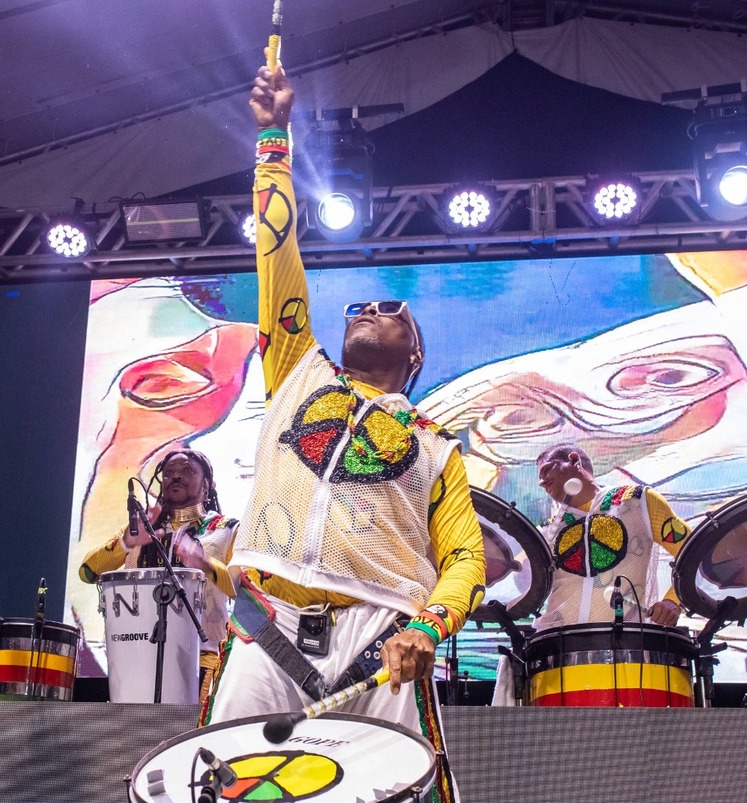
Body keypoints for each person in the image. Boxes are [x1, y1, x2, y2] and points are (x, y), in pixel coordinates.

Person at [203, 60, 485, 801]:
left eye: (391, 306)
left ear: (415, 355)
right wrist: (273, 136)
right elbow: (276, 252)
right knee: (227, 788)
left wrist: (426, 628)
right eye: (359, 303)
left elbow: (464, 561)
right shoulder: (297, 368)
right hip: (264, 623)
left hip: (379, 638)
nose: (369, 307)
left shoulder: (433, 441)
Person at [79, 448, 238, 711]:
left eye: (187, 470)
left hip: (201, 659)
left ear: (206, 484)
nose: (176, 476)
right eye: (170, 473)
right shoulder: (140, 529)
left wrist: (204, 562)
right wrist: (127, 542)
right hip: (138, 660)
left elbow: (244, 589)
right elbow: (86, 572)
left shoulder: (226, 530)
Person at [533, 443, 691, 631]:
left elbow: (694, 551)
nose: (542, 483)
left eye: (547, 470)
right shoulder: (547, 531)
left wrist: (674, 600)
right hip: (556, 650)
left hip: (628, 648)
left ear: (574, 460)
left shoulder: (638, 500)